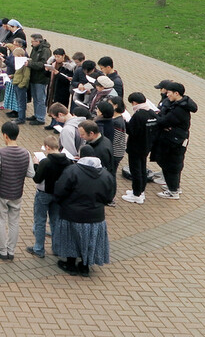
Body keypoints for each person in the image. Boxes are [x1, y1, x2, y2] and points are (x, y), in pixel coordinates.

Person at [53, 146, 114, 277]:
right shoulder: (106, 174)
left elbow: (60, 190)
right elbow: (109, 197)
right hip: (95, 216)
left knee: (72, 240)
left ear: (80, 156)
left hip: (72, 214)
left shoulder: (72, 171)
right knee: (89, 241)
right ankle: (85, 266)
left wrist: (62, 203)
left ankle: (70, 264)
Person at [0, 121, 34, 261]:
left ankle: (2, 251)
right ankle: (11, 250)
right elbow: (31, 173)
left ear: (5, 135)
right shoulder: (25, 153)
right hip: (16, 192)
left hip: (1, 191)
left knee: (0, 221)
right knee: (14, 221)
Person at [28, 135, 71, 259]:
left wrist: (36, 165)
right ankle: (56, 248)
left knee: (40, 221)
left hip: (44, 194)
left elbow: (37, 179)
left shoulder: (46, 162)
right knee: (55, 221)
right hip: (58, 195)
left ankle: (39, 248)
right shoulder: (67, 161)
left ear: (47, 147)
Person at [153, 81, 197, 200]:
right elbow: (163, 115)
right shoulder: (178, 104)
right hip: (174, 139)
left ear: (176, 93)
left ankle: (173, 191)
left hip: (175, 141)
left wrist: (159, 117)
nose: (167, 95)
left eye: (169, 93)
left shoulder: (179, 110)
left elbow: (163, 121)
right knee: (171, 164)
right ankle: (174, 187)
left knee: (171, 165)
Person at [122, 92, 158, 204]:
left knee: (135, 170)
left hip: (136, 147)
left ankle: (137, 195)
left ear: (134, 102)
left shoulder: (138, 115)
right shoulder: (151, 113)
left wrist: (124, 122)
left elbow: (131, 130)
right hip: (146, 146)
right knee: (142, 168)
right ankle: (140, 191)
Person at [25, 33, 52, 125]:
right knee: (35, 98)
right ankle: (36, 114)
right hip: (34, 77)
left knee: (40, 98)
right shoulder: (35, 48)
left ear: (37, 41)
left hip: (41, 78)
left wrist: (30, 64)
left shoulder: (45, 51)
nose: (31, 43)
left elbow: (43, 64)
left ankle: (40, 118)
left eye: (32, 41)